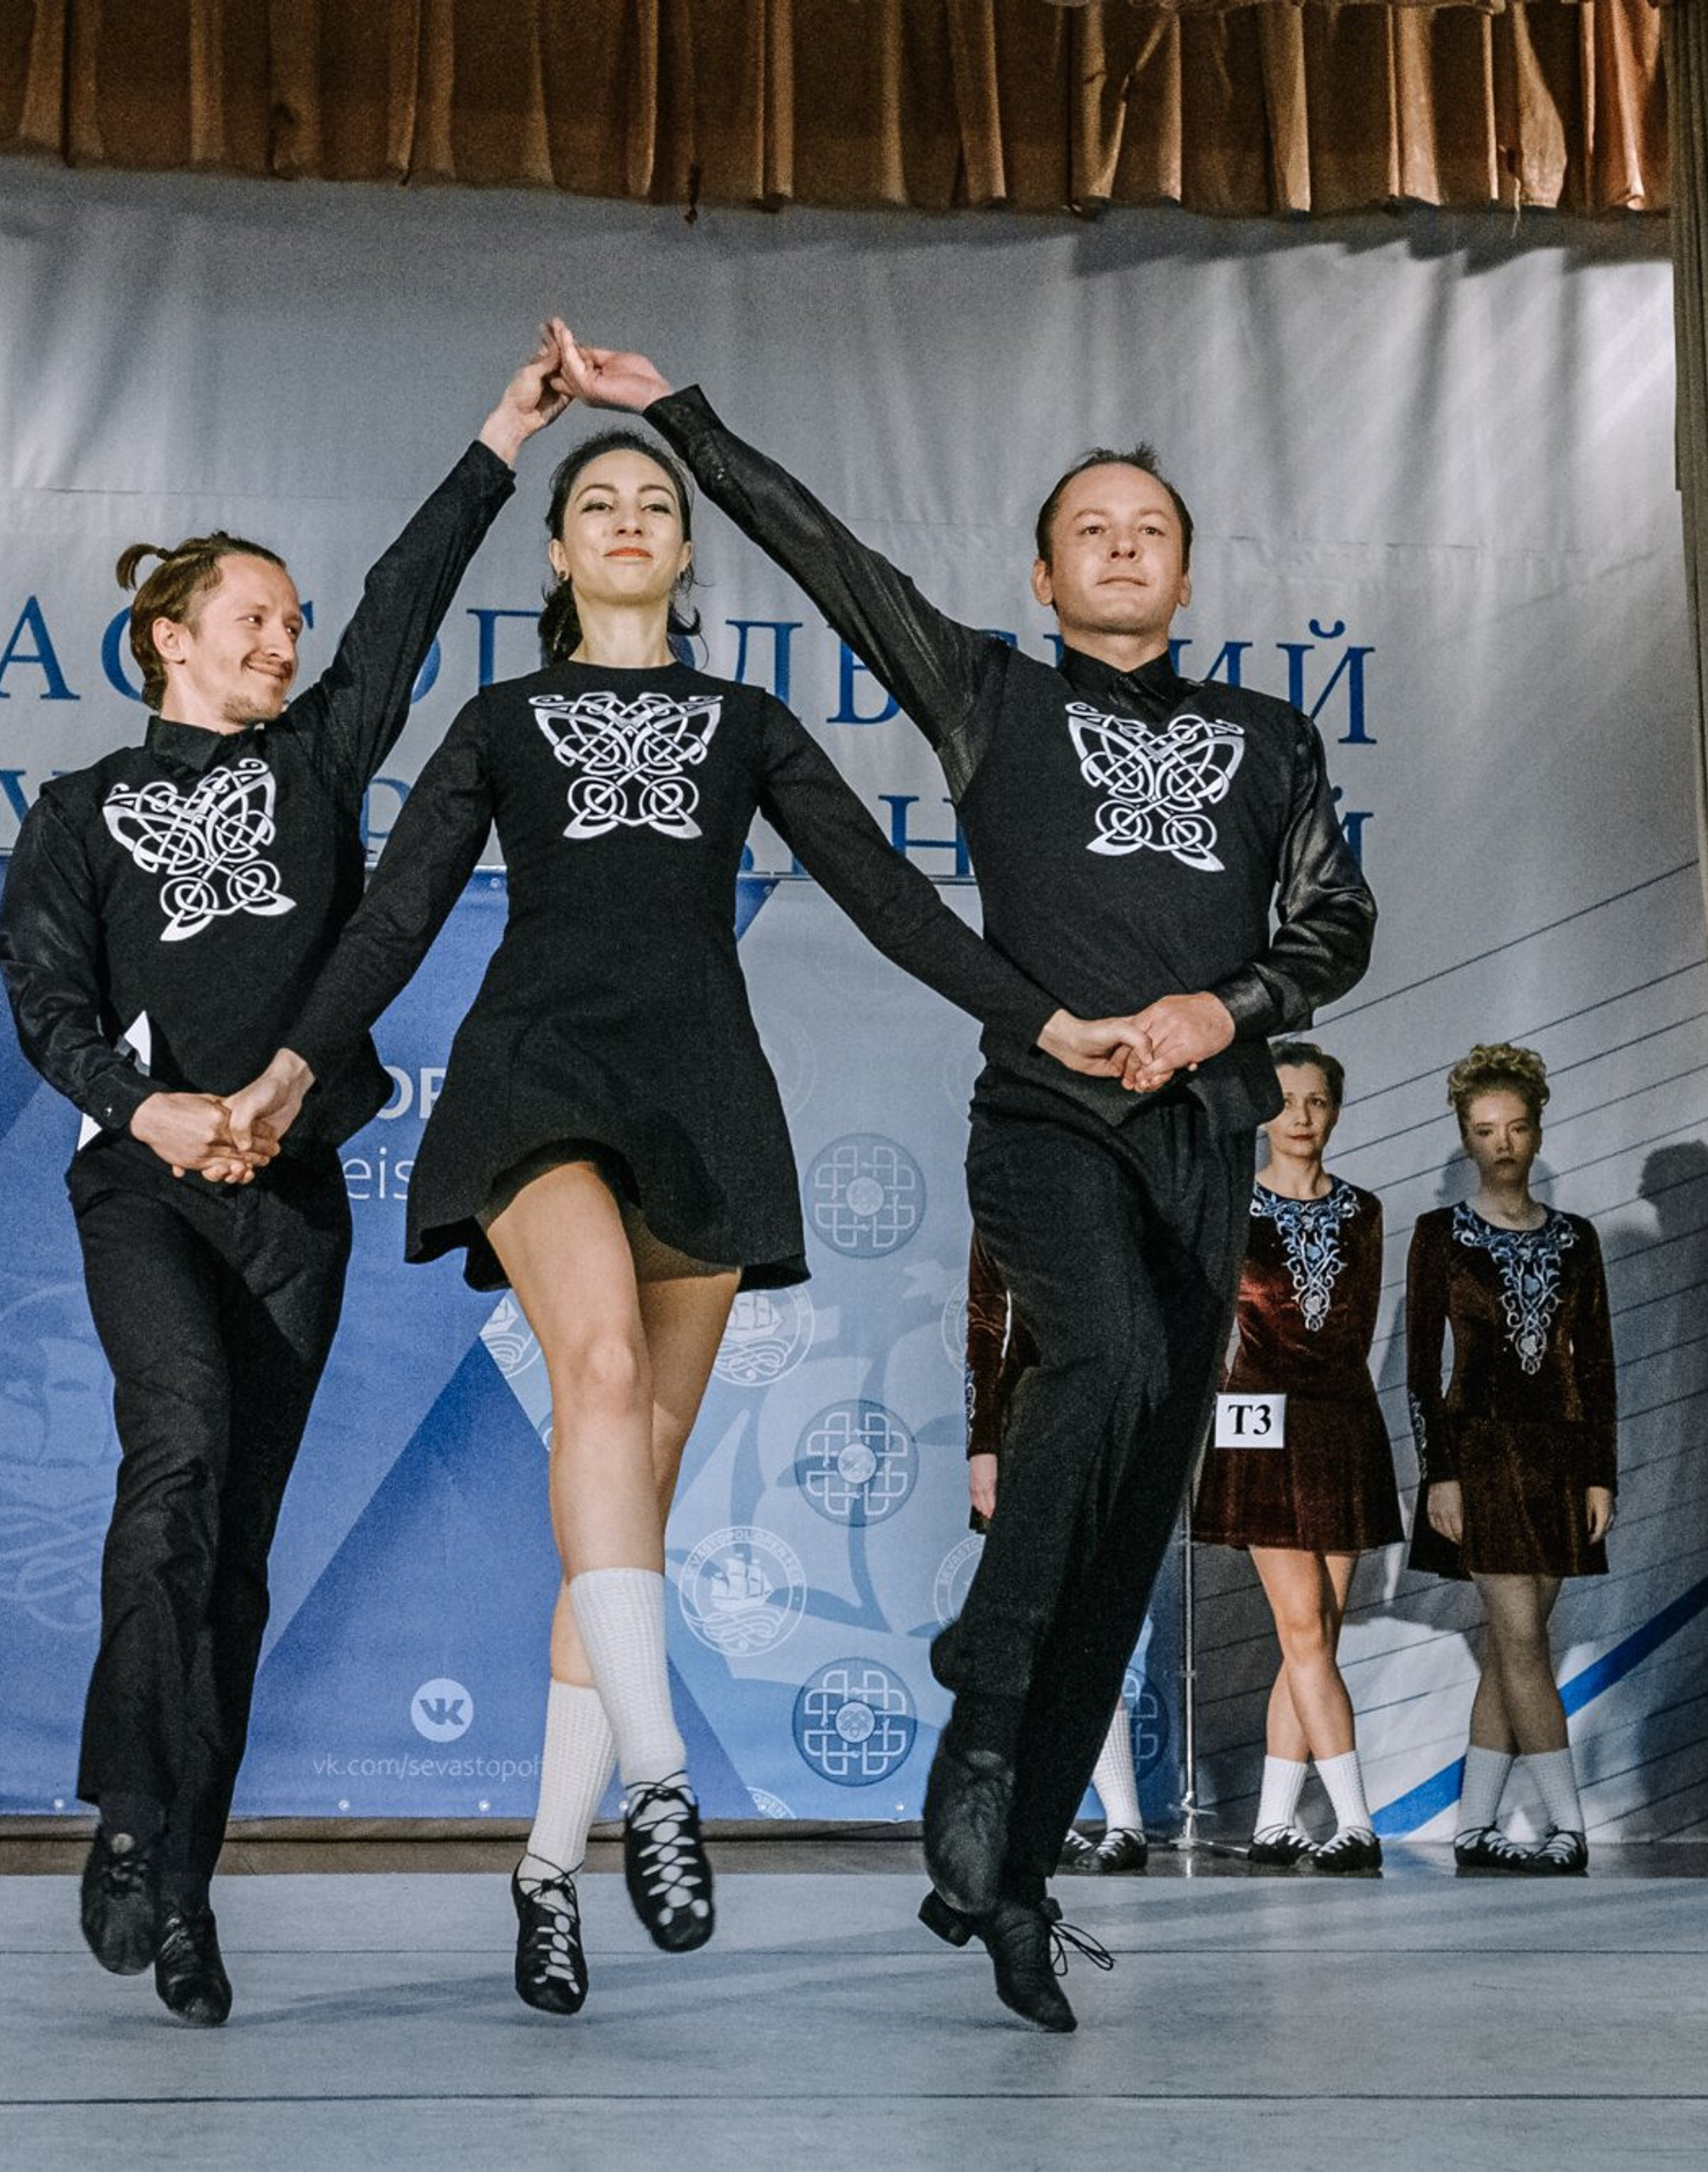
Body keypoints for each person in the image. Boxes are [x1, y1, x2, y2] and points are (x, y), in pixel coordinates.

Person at [225, 426, 1141, 2018]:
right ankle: (663, 1780)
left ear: (688, 555)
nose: (634, 520)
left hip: (704, 1101)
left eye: (657, 504)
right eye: (601, 505)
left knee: (631, 1490)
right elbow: (395, 915)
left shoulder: (747, 722)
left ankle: (544, 1868)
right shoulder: (502, 720)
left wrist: (1046, 1019)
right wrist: (295, 1065)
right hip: (536, 1082)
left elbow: (891, 896)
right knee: (592, 1377)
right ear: (562, 556)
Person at [553, 322, 1376, 2031]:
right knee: (1110, 1360)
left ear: (1187, 567)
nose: (1122, 548)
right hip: (1047, 1119)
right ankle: (980, 1700)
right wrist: (678, 418)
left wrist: (1216, 1007)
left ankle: (1004, 1869)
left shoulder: (1267, 741)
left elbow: (1332, 922)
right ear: (1042, 569)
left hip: (1201, 1134)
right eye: (1091, 528)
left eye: (1149, 528)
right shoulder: (992, 693)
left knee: (1127, 1503)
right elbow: (830, 561)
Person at [0, 339, 571, 2025]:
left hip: (291, 1203)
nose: (286, 636)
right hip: (147, 1192)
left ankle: (182, 1888)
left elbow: (404, 600)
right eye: (255, 614)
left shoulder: (316, 765)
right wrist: (147, 1108)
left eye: (293, 619)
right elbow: (44, 995)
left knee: (232, 1547)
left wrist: (499, 438)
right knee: (171, 1456)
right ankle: (123, 1813)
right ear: (170, 636)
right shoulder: (81, 808)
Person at [1406, 1043, 1617, 1877]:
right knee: (1524, 1640)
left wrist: (1601, 1471)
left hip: (1560, 1459)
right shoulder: (1438, 1236)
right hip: (1482, 1454)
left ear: (1536, 1130)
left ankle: (1473, 1826)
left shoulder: (1575, 1238)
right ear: (1464, 1137)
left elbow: (1595, 1363)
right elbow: (1421, 1368)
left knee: (1510, 1647)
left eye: (1516, 1126)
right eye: (1485, 1129)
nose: (1502, 1143)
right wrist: (1443, 1472)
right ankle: (1568, 1826)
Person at [1190, 1040, 1399, 1875]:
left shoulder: (1363, 1210)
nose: (1301, 1117)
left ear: (1336, 1110)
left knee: (1317, 1636)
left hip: (1341, 1421)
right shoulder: (1228, 1207)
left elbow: (1358, 1329)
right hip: (1259, 1419)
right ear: (1258, 1111)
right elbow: (1211, 1331)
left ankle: (1274, 1823)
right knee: (1304, 1626)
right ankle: (1356, 1820)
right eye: (1284, 1100)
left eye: (1316, 1101)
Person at [965, 1234, 1150, 1875]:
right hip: (1030, 1420)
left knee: (1087, 1624)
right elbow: (986, 1318)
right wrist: (983, 1439)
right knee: (1035, 1631)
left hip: (1110, 1418)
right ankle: (1055, 1815)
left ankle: (1123, 1819)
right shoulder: (1008, 1187)